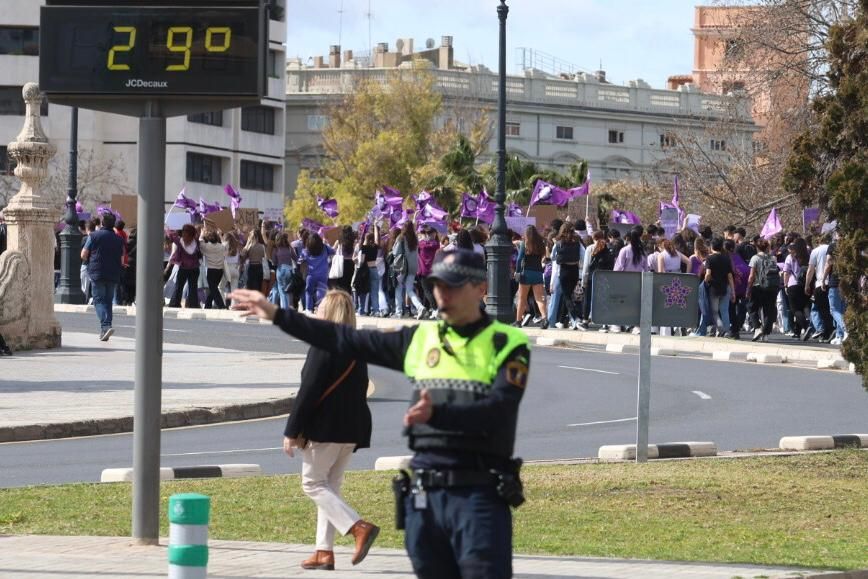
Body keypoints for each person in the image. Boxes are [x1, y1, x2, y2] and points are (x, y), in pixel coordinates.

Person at [229, 248, 531, 579]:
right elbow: (342, 337)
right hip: (426, 498)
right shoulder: (422, 338)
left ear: (481, 289)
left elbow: (500, 408)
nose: (443, 293)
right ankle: (326, 547)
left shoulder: (506, 342)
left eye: (454, 285)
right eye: (437, 285)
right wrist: (277, 314)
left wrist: (439, 412)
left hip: (479, 494)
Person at [282, 290, 377, 571]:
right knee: (330, 487)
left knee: (312, 484)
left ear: (330, 313)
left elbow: (308, 391)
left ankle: (359, 527)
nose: (315, 310)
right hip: (351, 430)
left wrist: (291, 430)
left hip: (325, 430)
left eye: (320, 307)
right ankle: (324, 552)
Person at [81, 212, 124, 341]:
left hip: (97, 272)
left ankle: (105, 326)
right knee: (108, 301)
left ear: (102, 223)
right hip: (113, 273)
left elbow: (83, 254)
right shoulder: (119, 239)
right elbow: (122, 260)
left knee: (98, 300)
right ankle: (105, 329)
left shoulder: (93, 236)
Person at [514, 225, 548, 329]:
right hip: (538, 273)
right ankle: (544, 318)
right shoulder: (541, 244)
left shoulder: (525, 244)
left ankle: (518, 321)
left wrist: (517, 271)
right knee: (539, 299)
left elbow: (519, 259)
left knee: (522, 298)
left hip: (526, 273)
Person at [746, 238, 779, 342]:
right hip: (771, 287)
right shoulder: (773, 258)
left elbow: (751, 276)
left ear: (757, 247)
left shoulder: (755, 258)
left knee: (752, 308)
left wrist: (748, 288)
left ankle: (757, 327)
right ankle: (766, 334)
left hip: (758, 286)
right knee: (769, 311)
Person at [391, 221, 425, 318]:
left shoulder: (401, 238)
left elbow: (395, 252)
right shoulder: (415, 239)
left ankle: (398, 312)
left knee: (398, 288)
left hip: (402, 267)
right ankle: (420, 307)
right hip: (413, 267)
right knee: (410, 290)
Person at [167, 224, 202, 309]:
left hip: (183, 268)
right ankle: (193, 304)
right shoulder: (196, 242)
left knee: (179, 287)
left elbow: (170, 235)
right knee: (193, 288)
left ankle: (175, 303)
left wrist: (168, 227)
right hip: (194, 268)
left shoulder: (180, 241)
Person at [199, 229, 227, 309]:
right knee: (213, 288)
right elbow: (225, 244)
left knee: (213, 289)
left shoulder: (206, 246)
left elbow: (200, 241)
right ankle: (208, 305)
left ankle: (221, 305)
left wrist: (202, 233)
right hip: (220, 271)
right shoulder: (221, 247)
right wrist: (220, 236)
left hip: (211, 270)